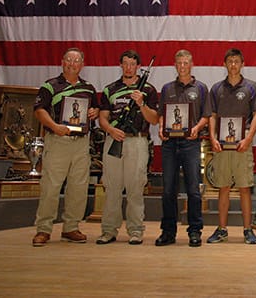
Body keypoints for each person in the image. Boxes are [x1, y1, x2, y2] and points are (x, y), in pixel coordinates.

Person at [32, 48, 99, 246]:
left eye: (76, 60)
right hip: (58, 140)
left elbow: (94, 110)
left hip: (81, 143)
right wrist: (54, 126)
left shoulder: (88, 88)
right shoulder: (50, 86)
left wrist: (94, 112)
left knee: (78, 187)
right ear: (62, 62)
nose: (72, 63)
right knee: (51, 186)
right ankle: (43, 229)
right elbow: (39, 110)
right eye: (69, 60)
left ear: (82, 64)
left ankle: (71, 227)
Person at [96, 50, 159, 245]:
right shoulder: (110, 89)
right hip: (114, 139)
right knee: (112, 188)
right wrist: (111, 130)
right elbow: (102, 117)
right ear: (121, 65)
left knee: (135, 189)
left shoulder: (147, 90)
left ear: (138, 66)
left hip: (137, 141)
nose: (129, 67)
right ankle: (108, 231)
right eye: (125, 63)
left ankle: (135, 231)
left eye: (132, 64)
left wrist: (141, 104)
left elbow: (154, 119)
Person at [207, 48, 256, 244]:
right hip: (221, 146)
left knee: (244, 187)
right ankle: (222, 229)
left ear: (242, 64)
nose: (233, 65)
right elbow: (212, 115)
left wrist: (249, 138)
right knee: (223, 187)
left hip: (242, 144)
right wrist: (212, 138)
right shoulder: (216, 89)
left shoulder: (252, 87)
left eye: (236, 61)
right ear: (224, 64)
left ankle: (248, 230)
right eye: (229, 61)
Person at [155, 50, 210, 247]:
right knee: (169, 190)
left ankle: (195, 231)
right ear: (175, 65)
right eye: (179, 63)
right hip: (170, 144)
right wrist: (162, 127)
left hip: (191, 143)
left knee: (193, 190)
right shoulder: (167, 88)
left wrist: (197, 128)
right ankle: (168, 232)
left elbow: (206, 115)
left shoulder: (201, 88)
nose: (183, 66)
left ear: (192, 64)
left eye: (186, 62)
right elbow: (161, 114)